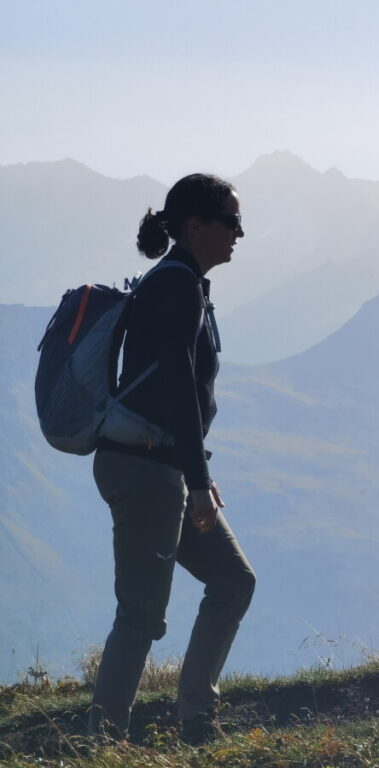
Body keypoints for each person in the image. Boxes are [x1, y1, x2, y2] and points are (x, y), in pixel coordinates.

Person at [88, 173, 255, 743]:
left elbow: (173, 389)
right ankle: (99, 745)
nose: (240, 232)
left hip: (161, 466)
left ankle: (198, 722)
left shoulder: (186, 283)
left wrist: (195, 474)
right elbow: (180, 387)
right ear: (194, 226)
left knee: (233, 581)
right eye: (231, 221)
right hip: (146, 469)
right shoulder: (176, 285)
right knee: (141, 616)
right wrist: (200, 480)